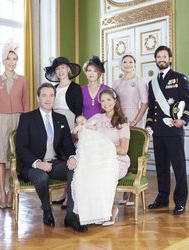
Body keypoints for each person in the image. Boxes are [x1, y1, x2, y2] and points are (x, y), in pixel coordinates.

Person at [16, 83, 87, 232]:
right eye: (44, 95)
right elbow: (21, 148)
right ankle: (47, 210)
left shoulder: (60, 118)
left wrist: (72, 157)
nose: (48, 99)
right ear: (38, 98)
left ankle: (71, 216)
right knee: (42, 178)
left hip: (54, 163)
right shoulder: (27, 118)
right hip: (33, 165)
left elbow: (67, 145)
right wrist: (38, 163)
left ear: (55, 98)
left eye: (51, 95)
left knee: (76, 170)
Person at [146, 45, 189, 215]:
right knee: (161, 167)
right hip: (158, 132)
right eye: (158, 57)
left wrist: (184, 120)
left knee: (179, 167)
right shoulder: (152, 83)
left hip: (174, 130)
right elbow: (151, 108)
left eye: (164, 56)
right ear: (156, 60)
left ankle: (180, 202)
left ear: (170, 59)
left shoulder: (180, 78)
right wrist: (149, 124)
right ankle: (162, 198)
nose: (161, 59)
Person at [72, 88, 130, 226]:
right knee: (85, 172)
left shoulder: (122, 122)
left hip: (116, 160)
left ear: (115, 101)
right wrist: (78, 129)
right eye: (102, 101)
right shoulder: (97, 118)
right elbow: (80, 131)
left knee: (101, 173)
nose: (105, 103)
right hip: (98, 159)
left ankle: (111, 209)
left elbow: (123, 149)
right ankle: (94, 211)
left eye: (108, 100)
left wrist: (103, 148)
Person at [0, 39, 30, 209]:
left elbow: (26, 103)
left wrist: (28, 124)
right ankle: (2, 193)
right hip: (0, 120)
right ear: (3, 61)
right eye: (8, 59)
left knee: (18, 157)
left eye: (14, 59)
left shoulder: (23, 80)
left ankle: (13, 191)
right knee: (1, 158)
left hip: (19, 119)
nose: (12, 62)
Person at [45, 56, 83, 207]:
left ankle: (70, 195)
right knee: (59, 157)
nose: (60, 71)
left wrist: (75, 129)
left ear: (68, 69)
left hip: (70, 122)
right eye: (57, 69)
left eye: (63, 67)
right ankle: (63, 192)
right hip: (55, 124)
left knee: (71, 156)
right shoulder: (53, 89)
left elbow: (79, 110)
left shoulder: (75, 88)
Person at [113, 53, 148, 206]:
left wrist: (135, 121)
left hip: (134, 119)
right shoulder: (116, 83)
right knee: (122, 153)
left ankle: (133, 194)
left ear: (135, 64)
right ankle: (125, 193)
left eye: (130, 62)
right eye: (125, 62)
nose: (127, 64)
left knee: (133, 153)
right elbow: (112, 102)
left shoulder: (140, 82)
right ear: (121, 65)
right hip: (119, 120)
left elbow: (145, 103)